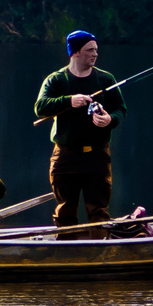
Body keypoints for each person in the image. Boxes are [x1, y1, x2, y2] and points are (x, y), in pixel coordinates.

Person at [33, 30, 127, 238]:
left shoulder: (105, 79)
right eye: (89, 50)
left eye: (96, 50)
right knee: (65, 211)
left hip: (97, 156)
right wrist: (69, 101)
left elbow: (120, 109)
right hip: (65, 156)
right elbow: (40, 107)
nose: (95, 54)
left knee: (98, 211)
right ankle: (68, 254)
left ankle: (101, 254)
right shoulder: (56, 80)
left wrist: (110, 120)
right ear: (75, 53)